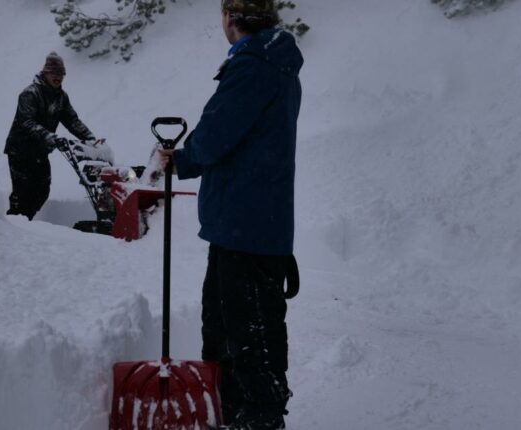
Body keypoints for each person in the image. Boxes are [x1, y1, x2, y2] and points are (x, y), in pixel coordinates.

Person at [159, 1, 303, 428]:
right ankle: (235, 410)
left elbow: (215, 134)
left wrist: (181, 159)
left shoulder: (253, 66)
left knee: (245, 332)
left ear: (232, 18)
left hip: (245, 223)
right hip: (252, 222)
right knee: (233, 327)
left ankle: (256, 417)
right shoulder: (276, 64)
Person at [4, 52, 99, 220]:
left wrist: (91, 138)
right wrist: (50, 137)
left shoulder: (61, 97)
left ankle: (25, 220)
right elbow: (26, 122)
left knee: (42, 190)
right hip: (20, 150)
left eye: (61, 74)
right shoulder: (30, 93)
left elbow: (72, 121)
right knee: (22, 192)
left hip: (40, 152)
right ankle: (14, 222)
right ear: (45, 73)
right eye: (54, 73)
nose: (58, 77)